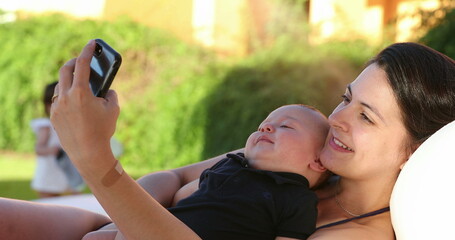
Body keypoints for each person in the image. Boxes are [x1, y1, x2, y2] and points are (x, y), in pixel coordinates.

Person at [0, 41, 453, 240]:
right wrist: (114, 226)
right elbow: (177, 176)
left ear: (416, 150)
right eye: (345, 99)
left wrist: (94, 159)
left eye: (366, 116)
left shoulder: (356, 237)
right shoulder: (298, 156)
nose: (337, 120)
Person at [83, 104, 330, 240]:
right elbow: (183, 198)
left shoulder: (296, 200)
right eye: (263, 125)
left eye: (285, 126)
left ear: (318, 161)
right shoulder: (231, 164)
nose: (266, 127)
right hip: (157, 228)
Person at [30, 81, 85, 198]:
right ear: (48, 105)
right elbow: (39, 149)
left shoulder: (71, 124)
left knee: (76, 201)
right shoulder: (46, 126)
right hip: (50, 171)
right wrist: (51, 150)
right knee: (48, 206)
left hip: (68, 168)